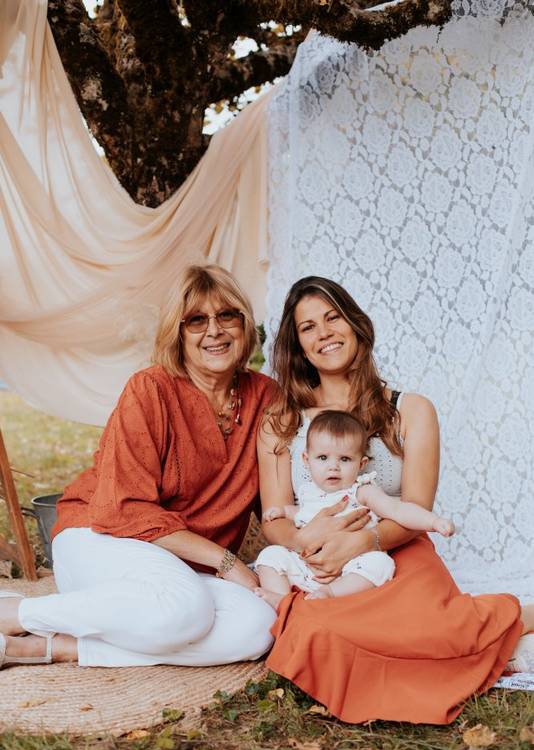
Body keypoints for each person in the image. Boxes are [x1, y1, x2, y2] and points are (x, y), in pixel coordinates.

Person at [257, 275, 534, 724]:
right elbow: (274, 519)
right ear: (298, 347)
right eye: (308, 327)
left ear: (356, 324)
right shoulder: (280, 422)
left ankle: (516, 617)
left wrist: (362, 541)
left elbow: (416, 507)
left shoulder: (411, 410)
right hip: (318, 562)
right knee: (318, 630)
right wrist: (310, 543)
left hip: (395, 553)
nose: (324, 333)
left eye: (333, 317)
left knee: (439, 630)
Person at [0, 264, 276, 669]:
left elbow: (277, 497)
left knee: (257, 626)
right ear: (177, 333)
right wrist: (227, 561)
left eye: (226, 316)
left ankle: (51, 647)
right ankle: (16, 613)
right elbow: (123, 509)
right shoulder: (151, 388)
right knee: (185, 610)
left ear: (245, 324)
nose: (214, 331)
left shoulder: (266, 397)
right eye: (196, 320)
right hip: (101, 537)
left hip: (184, 568)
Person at [256, 409, 454, 606]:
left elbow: (397, 510)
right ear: (307, 460)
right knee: (270, 556)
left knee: (381, 564)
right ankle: (283, 602)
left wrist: (433, 521)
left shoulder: (361, 492)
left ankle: (330, 593)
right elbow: (301, 514)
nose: (333, 466)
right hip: (309, 565)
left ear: (361, 464)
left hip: (352, 565)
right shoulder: (307, 492)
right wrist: (283, 512)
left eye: (344, 459)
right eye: (323, 458)